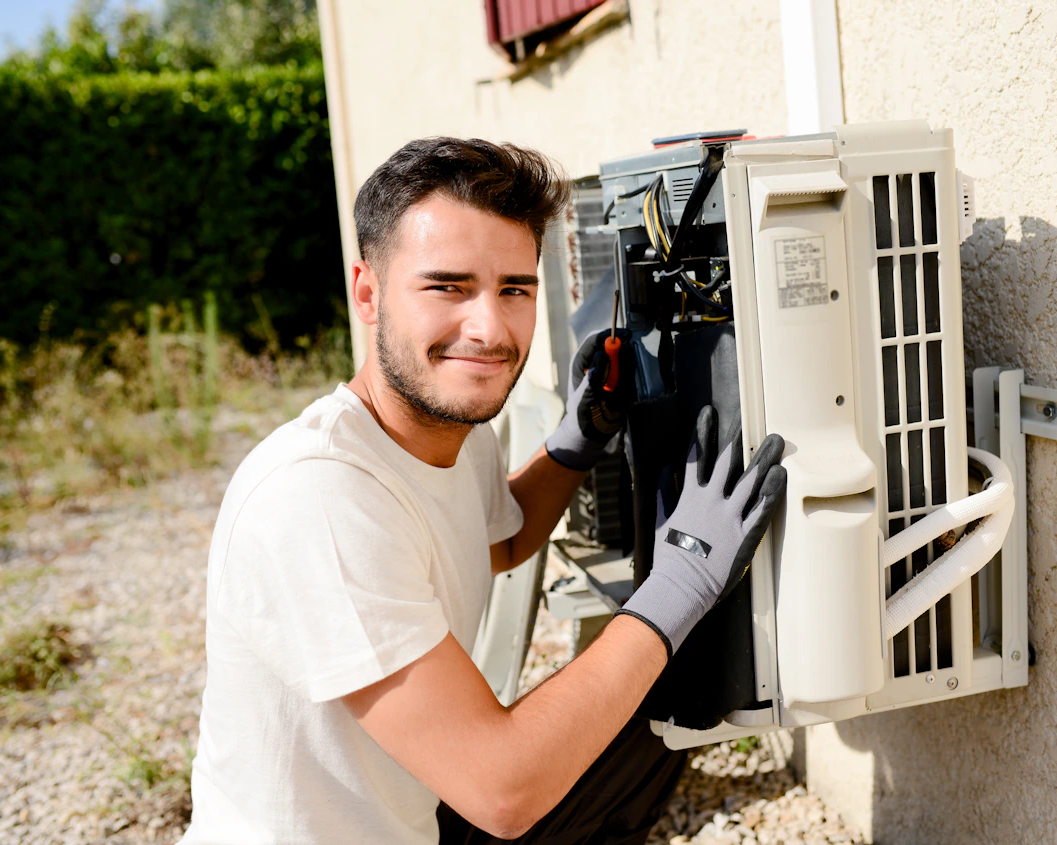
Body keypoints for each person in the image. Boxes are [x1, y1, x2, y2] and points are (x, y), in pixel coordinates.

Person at [179, 137, 787, 845]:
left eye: (514, 289)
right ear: (368, 293)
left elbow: (499, 537)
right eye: (449, 286)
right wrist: (679, 578)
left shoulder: (451, 430)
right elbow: (503, 789)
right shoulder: (318, 499)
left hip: (418, 815)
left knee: (654, 706)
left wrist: (578, 438)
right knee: (609, 692)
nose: (491, 328)